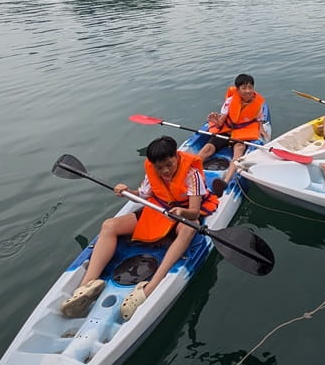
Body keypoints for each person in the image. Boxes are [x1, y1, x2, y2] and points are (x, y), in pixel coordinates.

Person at [60, 136, 219, 321]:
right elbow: (142, 196)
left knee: (189, 230)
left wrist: (181, 211)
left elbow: (194, 211)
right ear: (153, 165)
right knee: (109, 225)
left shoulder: (193, 174)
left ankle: (150, 287)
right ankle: (86, 286)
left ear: (176, 156)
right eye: (160, 168)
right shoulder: (152, 171)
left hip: (184, 212)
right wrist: (126, 191)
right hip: (159, 210)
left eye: (169, 164)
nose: (165, 171)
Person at [197, 73, 268, 193]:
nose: (248, 91)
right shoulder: (230, 102)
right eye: (244, 88)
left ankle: (225, 181)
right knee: (208, 147)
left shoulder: (257, 103)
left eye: (250, 87)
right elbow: (221, 123)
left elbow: (259, 120)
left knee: (239, 149)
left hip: (243, 132)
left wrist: (263, 132)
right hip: (227, 130)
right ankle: (189, 168)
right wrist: (216, 120)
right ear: (238, 90)